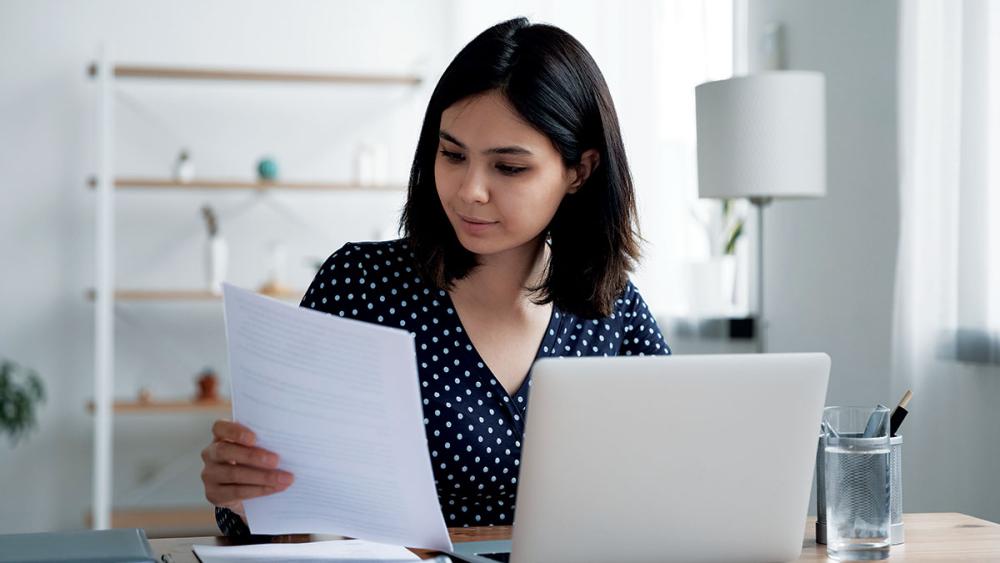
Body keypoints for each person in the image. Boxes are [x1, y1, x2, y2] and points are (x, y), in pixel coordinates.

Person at [202, 16, 670, 535]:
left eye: (508, 167)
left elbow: (679, 478)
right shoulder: (363, 287)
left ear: (579, 171)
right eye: (452, 155)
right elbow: (269, 516)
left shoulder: (612, 309)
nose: (470, 190)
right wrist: (243, 495)